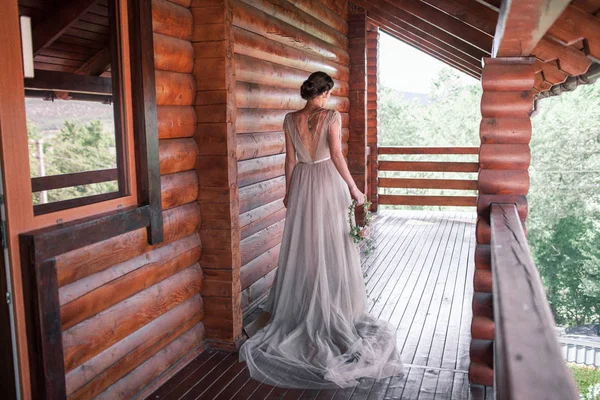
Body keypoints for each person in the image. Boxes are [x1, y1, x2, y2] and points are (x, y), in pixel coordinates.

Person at [238, 71, 404, 389]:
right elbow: (337, 156)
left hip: (301, 182)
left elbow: (289, 160)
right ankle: (328, 303)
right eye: (329, 92)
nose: (329, 96)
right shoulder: (330, 116)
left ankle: (305, 302)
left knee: (304, 245)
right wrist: (355, 189)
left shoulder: (289, 119)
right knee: (332, 243)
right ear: (325, 92)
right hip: (327, 181)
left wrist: (289, 191)